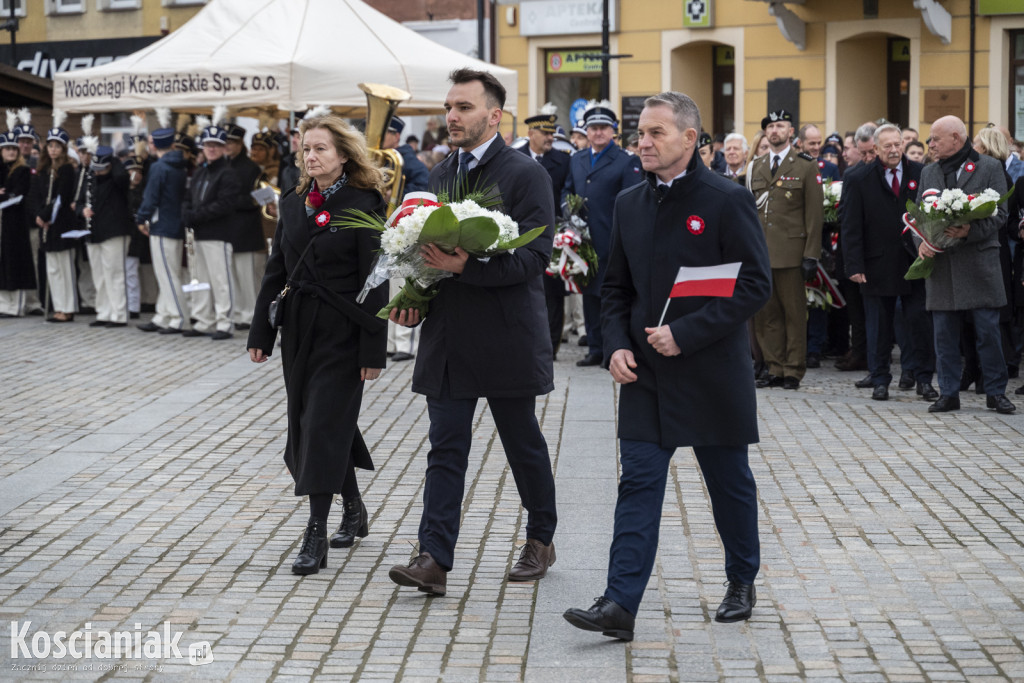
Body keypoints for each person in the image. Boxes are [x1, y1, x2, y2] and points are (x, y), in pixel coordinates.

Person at [563, 91, 771, 640]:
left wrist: (686, 333)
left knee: (729, 485)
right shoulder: (630, 202)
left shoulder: (727, 199)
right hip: (647, 375)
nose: (643, 142)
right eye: (641, 133)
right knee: (638, 483)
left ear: (690, 139)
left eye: (656, 132)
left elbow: (754, 284)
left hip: (711, 373)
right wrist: (614, 346)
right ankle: (619, 604)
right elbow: (615, 288)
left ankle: (741, 579)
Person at [386, 68, 557, 596]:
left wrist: (469, 269)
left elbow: (535, 258)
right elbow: (427, 258)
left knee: (521, 442)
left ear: (494, 115)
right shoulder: (438, 175)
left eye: (463, 107)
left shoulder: (526, 174)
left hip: (506, 332)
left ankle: (541, 537)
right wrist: (413, 299)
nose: (452, 116)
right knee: (446, 446)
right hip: (449, 336)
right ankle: (434, 558)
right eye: (449, 107)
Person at [247, 113, 389, 574]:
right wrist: (261, 333)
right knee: (315, 421)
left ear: (344, 154)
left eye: (321, 148)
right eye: (306, 148)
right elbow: (277, 270)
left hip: (345, 330)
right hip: (299, 328)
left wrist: (374, 348)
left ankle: (315, 531)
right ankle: (354, 507)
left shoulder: (363, 200)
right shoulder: (292, 202)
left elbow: (376, 279)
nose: (311, 156)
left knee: (322, 424)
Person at [917, 115, 1015, 414]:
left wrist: (969, 231)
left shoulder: (989, 167)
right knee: (944, 334)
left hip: (979, 265)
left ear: (956, 139)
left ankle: (995, 392)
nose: (930, 144)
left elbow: (1000, 214)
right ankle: (948, 393)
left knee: (988, 332)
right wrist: (921, 243)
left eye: (935, 138)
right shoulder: (929, 172)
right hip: (943, 266)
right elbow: (919, 216)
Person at [841, 123, 937, 402]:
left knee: (919, 323)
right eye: (888, 146)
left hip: (915, 261)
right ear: (876, 148)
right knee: (879, 327)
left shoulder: (922, 173)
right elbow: (851, 226)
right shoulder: (858, 177)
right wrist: (854, 265)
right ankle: (880, 379)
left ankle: (924, 379)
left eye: (898, 144)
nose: (894, 150)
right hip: (876, 265)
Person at [562, 100, 644, 367]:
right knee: (588, 296)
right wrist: (568, 211)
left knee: (610, 297)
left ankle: (613, 348)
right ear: (586, 131)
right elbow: (567, 189)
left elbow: (633, 200)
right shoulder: (578, 158)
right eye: (593, 128)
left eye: (603, 128)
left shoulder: (626, 161)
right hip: (583, 241)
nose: (597, 133)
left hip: (612, 240)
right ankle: (595, 348)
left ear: (613, 132)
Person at [749, 110, 824, 390]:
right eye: (770, 126)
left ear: (791, 131)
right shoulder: (756, 166)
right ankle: (774, 367)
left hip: (792, 253)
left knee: (793, 315)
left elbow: (814, 215)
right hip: (762, 253)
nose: (774, 130)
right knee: (766, 316)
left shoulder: (805, 165)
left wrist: (811, 254)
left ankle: (793, 370)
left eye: (780, 125)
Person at [519, 107, 571, 358]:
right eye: (544, 133)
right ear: (531, 133)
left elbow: (567, 195)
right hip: (518, 235)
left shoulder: (563, 161)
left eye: (552, 133)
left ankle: (550, 347)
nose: (550, 137)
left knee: (553, 294)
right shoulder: (514, 157)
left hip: (553, 235)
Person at [182, 122, 241, 340]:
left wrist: (196, 215)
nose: (212, 148)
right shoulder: (200, 172)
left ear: (224, 147)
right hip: (198, 234)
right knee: (201, 279)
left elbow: (225, 204)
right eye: (208, 144)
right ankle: (202, 320)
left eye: (216, 145)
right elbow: (188, 198)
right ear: (203, 147)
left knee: (220, 280)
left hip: (218, 234)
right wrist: (186, 213)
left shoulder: (228, 174)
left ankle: (225, 322)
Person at [383, 115, 431, 362]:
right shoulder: (381, 157)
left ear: (395, 135)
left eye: (385, 133)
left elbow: (423, 183)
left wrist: (396, 193)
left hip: (403, 228)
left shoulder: (405, 157)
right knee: (390, 283)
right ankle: (391, 341)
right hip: (387, 227)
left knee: (402, 282)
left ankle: (405, 344)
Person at [136, 127, 190, 334]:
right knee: (171, 272)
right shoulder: (179, 165)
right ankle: (163, 314)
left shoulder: (160, 167)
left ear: (156, 145)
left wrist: (142, 218)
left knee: (167, 275)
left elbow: (151, 197)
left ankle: (179, 317)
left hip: (162, 225)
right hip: (175, 223)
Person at [80, 146, 134, 328]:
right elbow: (80, 199)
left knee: (115, 273)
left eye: (102, 168)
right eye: (95, 169)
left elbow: (122, 177)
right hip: (94, 231)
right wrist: (82, 210)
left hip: (114, 231)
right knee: (99, 275)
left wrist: (113, 159)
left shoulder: (117, 178)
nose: (98, 173)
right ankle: (103, 312)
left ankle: (118, 314)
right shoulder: (91, 179)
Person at [33, 117, 80, 323]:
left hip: (61, 223)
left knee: (64, 266)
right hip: (47, 225)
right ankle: (58, 305)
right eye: (50, 146)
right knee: (52, 268)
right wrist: (39, 214)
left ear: (63, 149)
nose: (53, 150)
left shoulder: (67, 170)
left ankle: (67, 307)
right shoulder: (43, 170)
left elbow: (61, 197)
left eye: (57, 146)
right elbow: (37, 195)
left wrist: (46, 215)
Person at [0, 127, 36, 317]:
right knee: (3, 263)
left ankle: (16, 306)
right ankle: (4, 304)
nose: (12, 151)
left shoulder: (22, 170)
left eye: (14, 148)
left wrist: (5, 195)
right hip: (2, 223)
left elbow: (18, 195)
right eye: (7, 148)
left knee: (16, 263)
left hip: (16, 224)